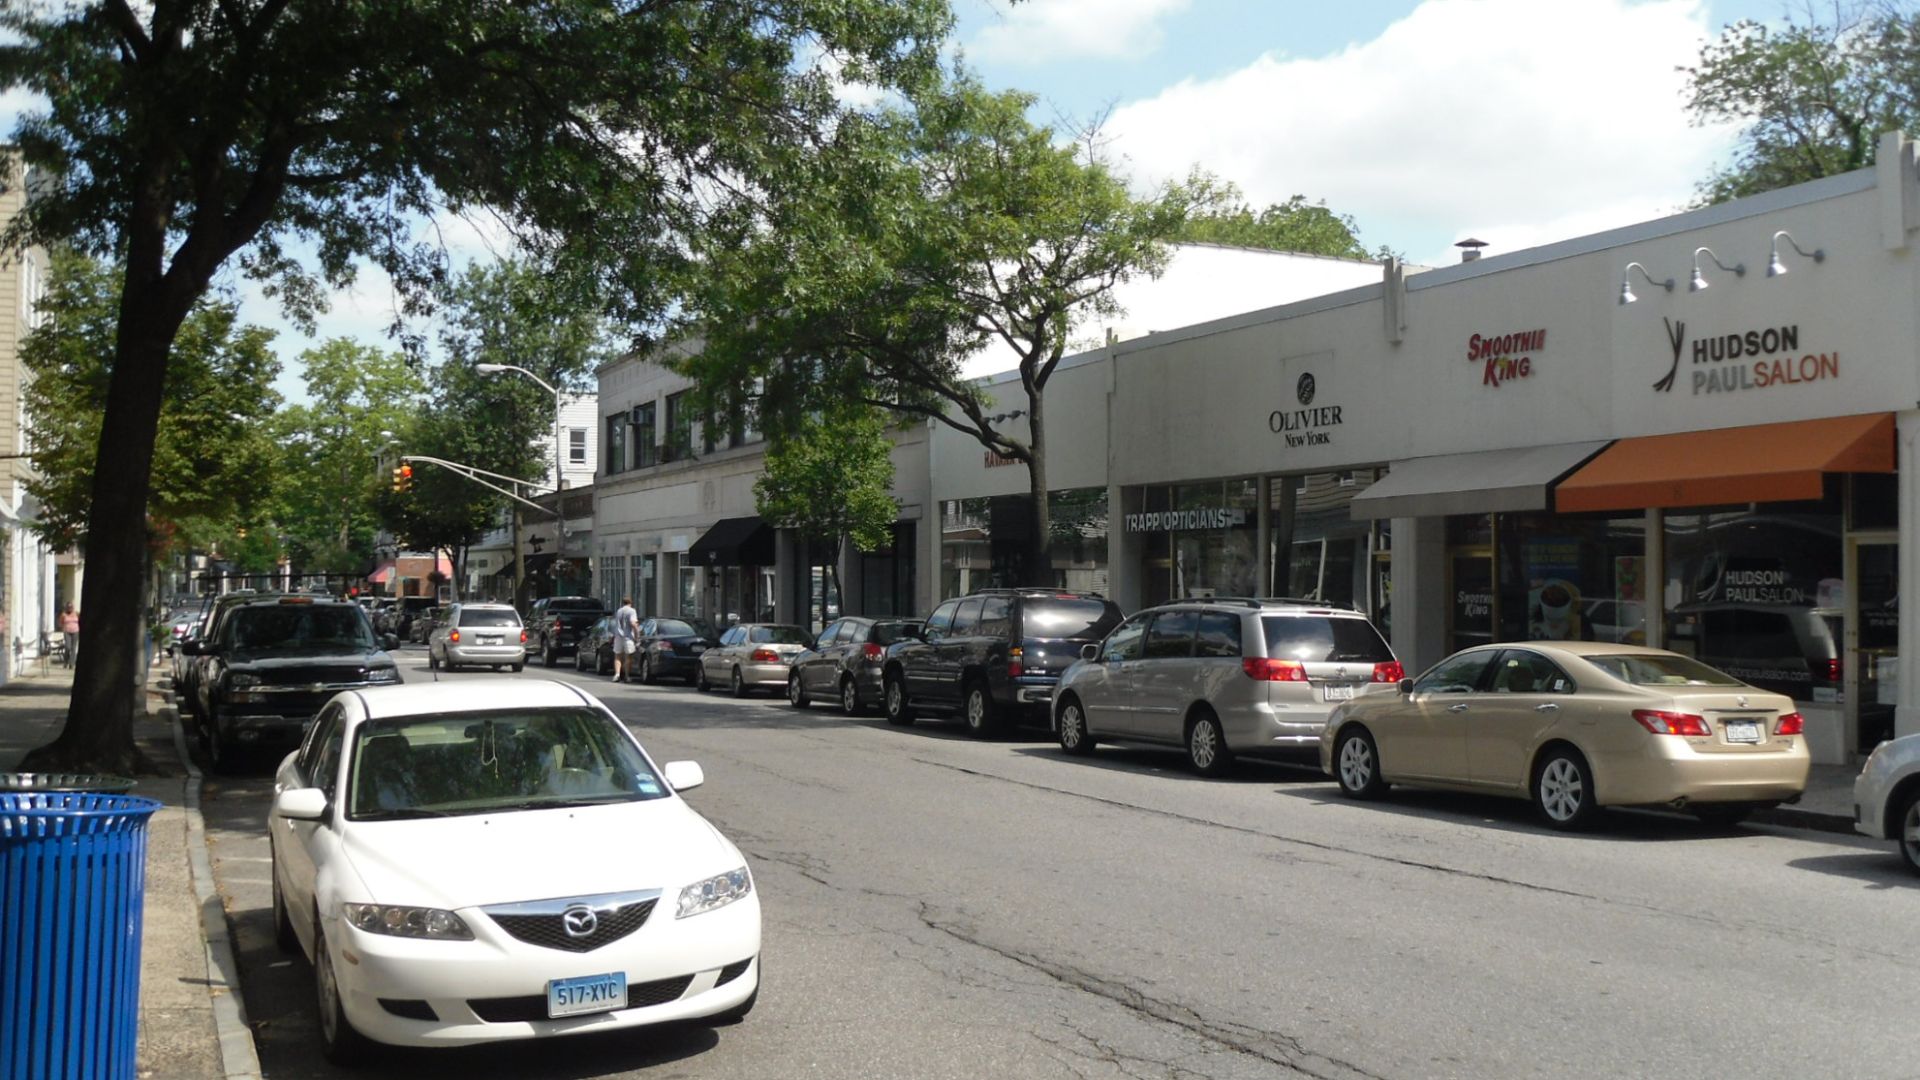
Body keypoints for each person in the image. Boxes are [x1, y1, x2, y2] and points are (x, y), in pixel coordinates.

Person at [611, 595, 638, 683]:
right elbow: (633, 623)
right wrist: (637, 634)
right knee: (628, 657)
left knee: (617, 656)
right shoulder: (632, 611)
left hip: (618, 636)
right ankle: (627, 676)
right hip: (628, 637)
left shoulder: (619, 611)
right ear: (630, 603)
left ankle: (617, 674)